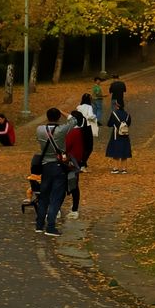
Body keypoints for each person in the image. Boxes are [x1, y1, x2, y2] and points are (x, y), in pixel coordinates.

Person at [35, 107, 76, 237]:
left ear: (47, 117)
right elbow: (74, 120)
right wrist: (63, 111)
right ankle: (51, 226)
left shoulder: (40, 130)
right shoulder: (61, 130)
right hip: (59, 166)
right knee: (56, 197)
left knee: (43, 196)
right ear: (58, 118)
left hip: (45, 166)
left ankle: (39, 225)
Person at [65, 114, 84, 219]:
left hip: (69, 162)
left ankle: (73, 209)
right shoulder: (81, 131)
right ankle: (75, 207)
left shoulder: (72, 132)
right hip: (77, 162)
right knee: (75, 185)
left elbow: (66, 146)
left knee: (67, 185)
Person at [105, 100, 132, 174]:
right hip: (125, 135)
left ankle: (115, 168)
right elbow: (128, 123)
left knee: (115, 150)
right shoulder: (127, 114)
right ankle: (124, 169)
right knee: (124, 151)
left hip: (116, 135)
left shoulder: (114, 114)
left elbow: (109, 124)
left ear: (117, 106)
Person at [76, 93, 97, 170]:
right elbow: (91, 116)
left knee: (82, 146)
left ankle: (81, 163)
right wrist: (94, 117)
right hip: (87, 127)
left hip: (79, 127)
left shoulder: (79, 107)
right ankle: (83, 163)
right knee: (89, 147)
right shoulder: (89, 107)